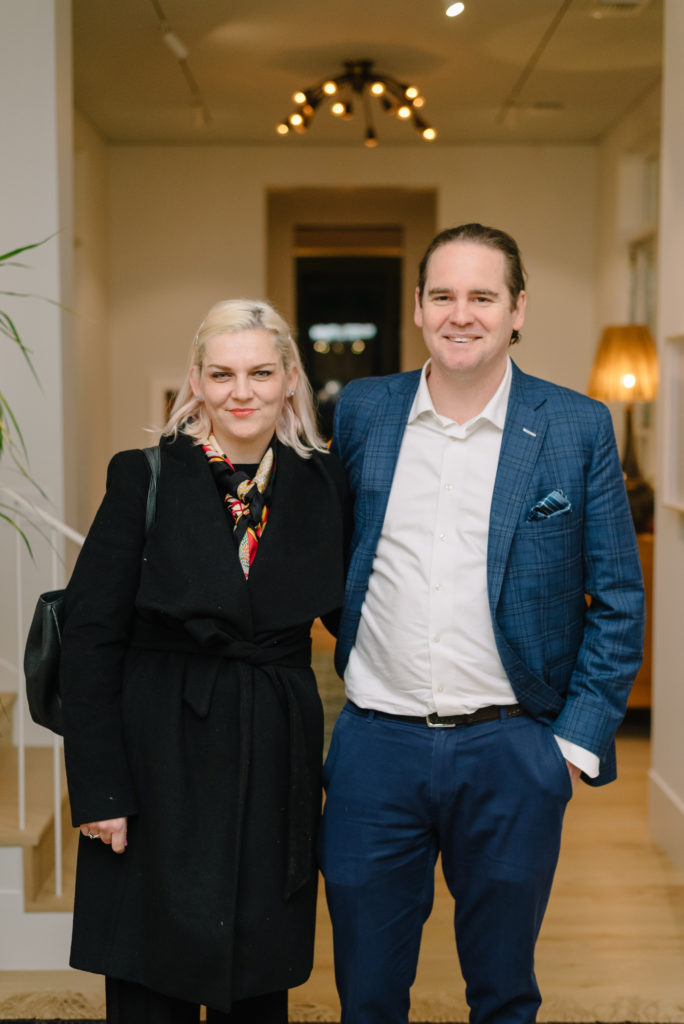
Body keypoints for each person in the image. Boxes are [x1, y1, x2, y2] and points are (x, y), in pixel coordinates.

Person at [318, 223, 645, 1024]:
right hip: (373, 749)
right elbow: (334, 559)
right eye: (443, 296)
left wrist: (567, 749)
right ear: (420, 309)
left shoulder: (576, 426)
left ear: (517, 309)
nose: (461, 314)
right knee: (364, 991)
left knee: (503, 993)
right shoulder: (363, 411)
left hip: (512, 751)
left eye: (483, 297)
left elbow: (619, 604)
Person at [59, 299, 348, 1023]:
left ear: (290, 380)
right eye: (222, 374)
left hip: (273, 746)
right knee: (150, 975)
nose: (240, 392)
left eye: (259, 372)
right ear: (196, 380)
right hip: (158, 750)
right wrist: (99, 792)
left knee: (256, 976)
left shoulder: (324, 485)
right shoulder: (144, 477)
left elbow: (361, 622)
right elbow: (90, 637)